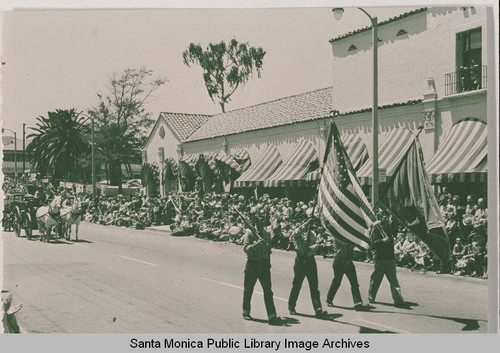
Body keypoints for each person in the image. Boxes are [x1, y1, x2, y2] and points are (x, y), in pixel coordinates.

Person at [242, 216, 281, 325]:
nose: (260, 223)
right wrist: (257, 244)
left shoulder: (266, 233)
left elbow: (268, 250)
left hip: (263, 264)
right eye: (258, 221)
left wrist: (268, 263)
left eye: (261, 221)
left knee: (268, 291)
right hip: (252, 264)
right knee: (248, 289)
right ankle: (246, 311)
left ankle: (272, 315)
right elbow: (246, 249)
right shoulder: (249, 233)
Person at [288, 217, 327, 318]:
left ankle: (318, 309)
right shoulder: (298, 233)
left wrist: (313, 248)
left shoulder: (313, 234)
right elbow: (296, 233)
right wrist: (306, 224)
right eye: (307, 223)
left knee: (314, 286)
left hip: (310, 260)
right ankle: (291, 306)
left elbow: (316, 245)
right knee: (297, 285)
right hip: (300, 260)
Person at [326, 239, 370, 311]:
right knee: (337, 281)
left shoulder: (350, 237)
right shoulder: (338, 237)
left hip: (348, 261)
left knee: (354, 283)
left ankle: (358, 303)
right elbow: (342, 244)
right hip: (340, 261)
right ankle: (329, 299)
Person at [368, 228, 406, 308]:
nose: (386, 218)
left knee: (393, 280)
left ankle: (398, 300)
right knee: (376, 279)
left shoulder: (389, 229)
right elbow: (371, 244)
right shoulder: (376, 229)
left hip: (390, 259)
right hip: (380, 259)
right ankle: (371, 296)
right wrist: (382, 241)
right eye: (384, 216)